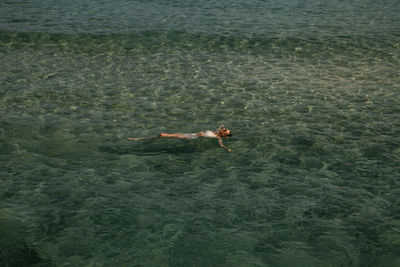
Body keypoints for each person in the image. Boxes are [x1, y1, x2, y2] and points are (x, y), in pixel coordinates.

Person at [127, 125, 233, 152]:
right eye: (225, 129)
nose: (224, 129)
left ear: (224, 135)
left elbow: (221, 144)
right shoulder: (216, 132)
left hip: (191, 138)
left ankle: (139, 139)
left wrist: (226, 149)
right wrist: (221, 126)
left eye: (225, 131)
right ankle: (141, 139)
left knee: (162, 134)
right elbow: (219, 128)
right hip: (190, 134)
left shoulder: (218, 138)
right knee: (163, 135)